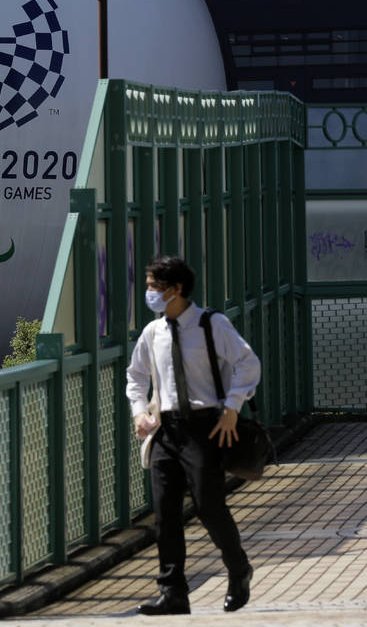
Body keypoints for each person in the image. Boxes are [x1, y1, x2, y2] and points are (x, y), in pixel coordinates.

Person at [125, 254, 261, 615]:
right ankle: (173, 592)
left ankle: (238, 569)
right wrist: (140, 412)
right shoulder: (152, 332)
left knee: (209, 507)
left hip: (205, 426)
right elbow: (136, 376)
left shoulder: (210, 324)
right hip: (165, 430)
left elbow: (249, 362)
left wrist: (233, 407)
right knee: (164, 513)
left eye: (155, 287)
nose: (149, 293)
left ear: (176, 289)